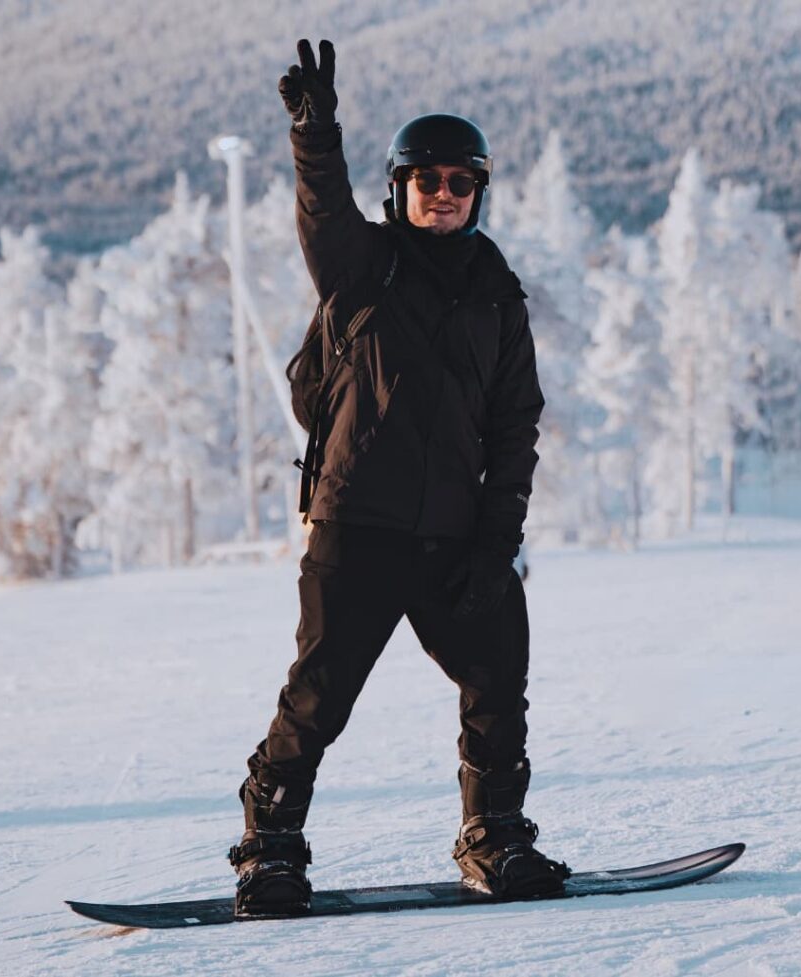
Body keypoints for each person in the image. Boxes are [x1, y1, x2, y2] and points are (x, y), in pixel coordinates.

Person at [228, 38, 569, 918]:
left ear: (478, 192)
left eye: (461, 182)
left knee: (498, 677)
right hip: (359, 527)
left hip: (457, 533)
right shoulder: (360, 264)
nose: (445, 195)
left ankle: (494, 838)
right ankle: (269, 851)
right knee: (318, 699)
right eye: (428, 181)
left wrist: (498, 544)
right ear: (400, 188)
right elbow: (319, 204)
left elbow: (515, 425)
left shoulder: (498, 292)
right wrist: (316, 132)